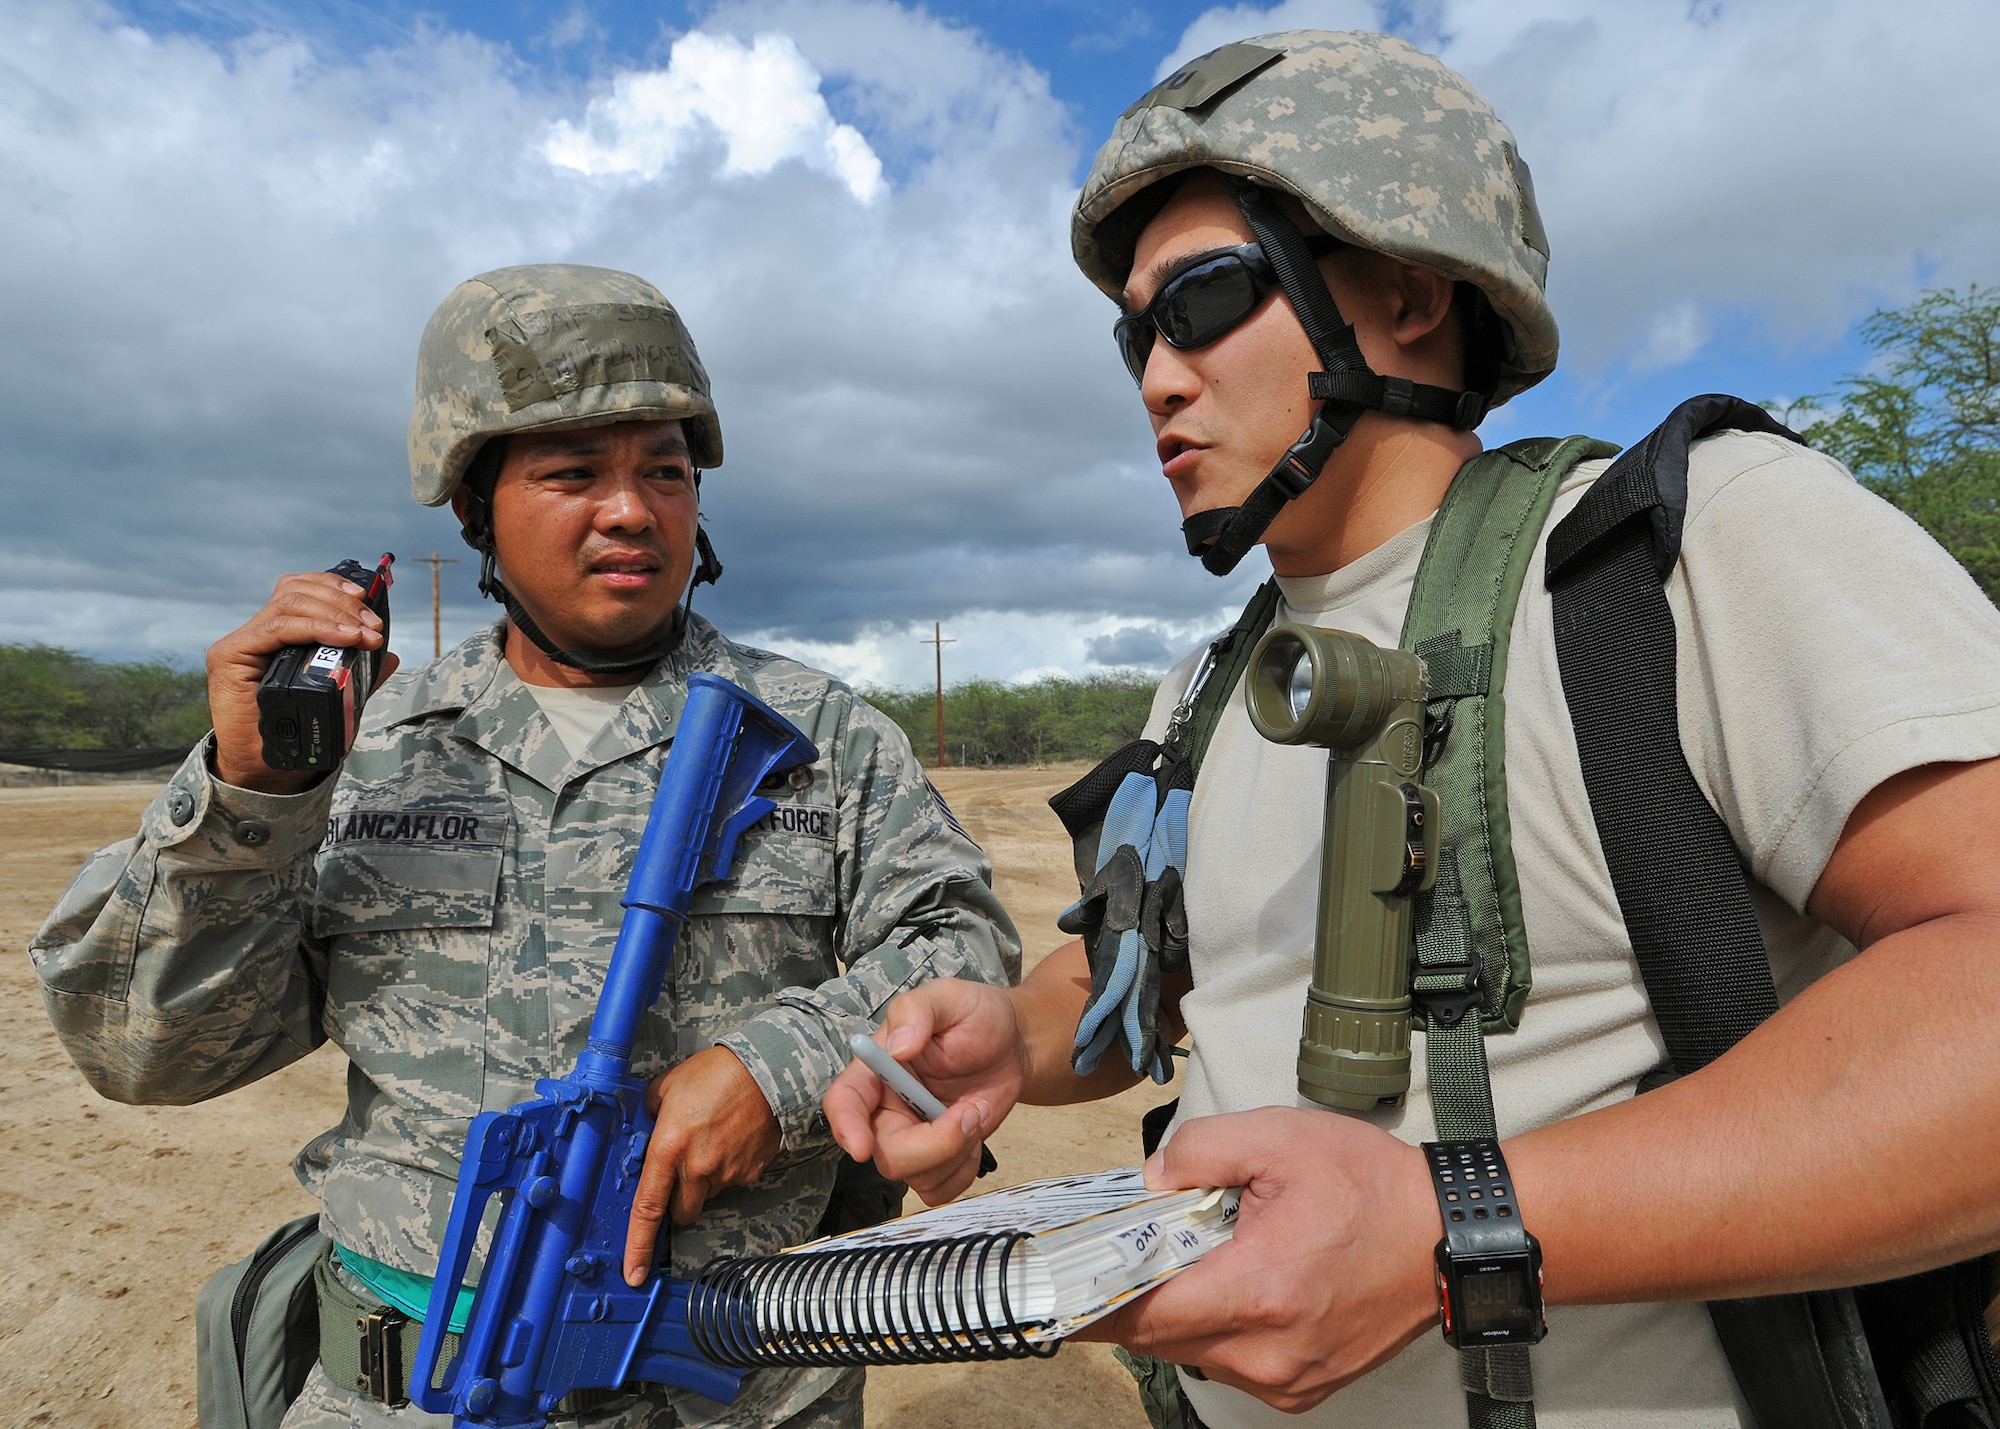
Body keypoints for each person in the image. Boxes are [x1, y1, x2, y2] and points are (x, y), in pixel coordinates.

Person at [824, 30, 2000, 1429]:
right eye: (1135, 333)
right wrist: (1012, 1041)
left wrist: (1457, 1222)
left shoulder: (1680, 554)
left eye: (1201, 301)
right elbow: (1171, 987)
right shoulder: (1209, 692)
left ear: (1408, 293)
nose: (1156, 375)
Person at [30, 263, 1020, 1429]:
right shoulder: (364, 751)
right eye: (571, 473)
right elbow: (145, 1052)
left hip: (735, 1392)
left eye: (665, 470)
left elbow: (963, 950)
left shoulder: (820, 735)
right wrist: (248, 798)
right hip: (408, 1394)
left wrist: (779, 1067)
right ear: (474, 508)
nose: (630, 510)